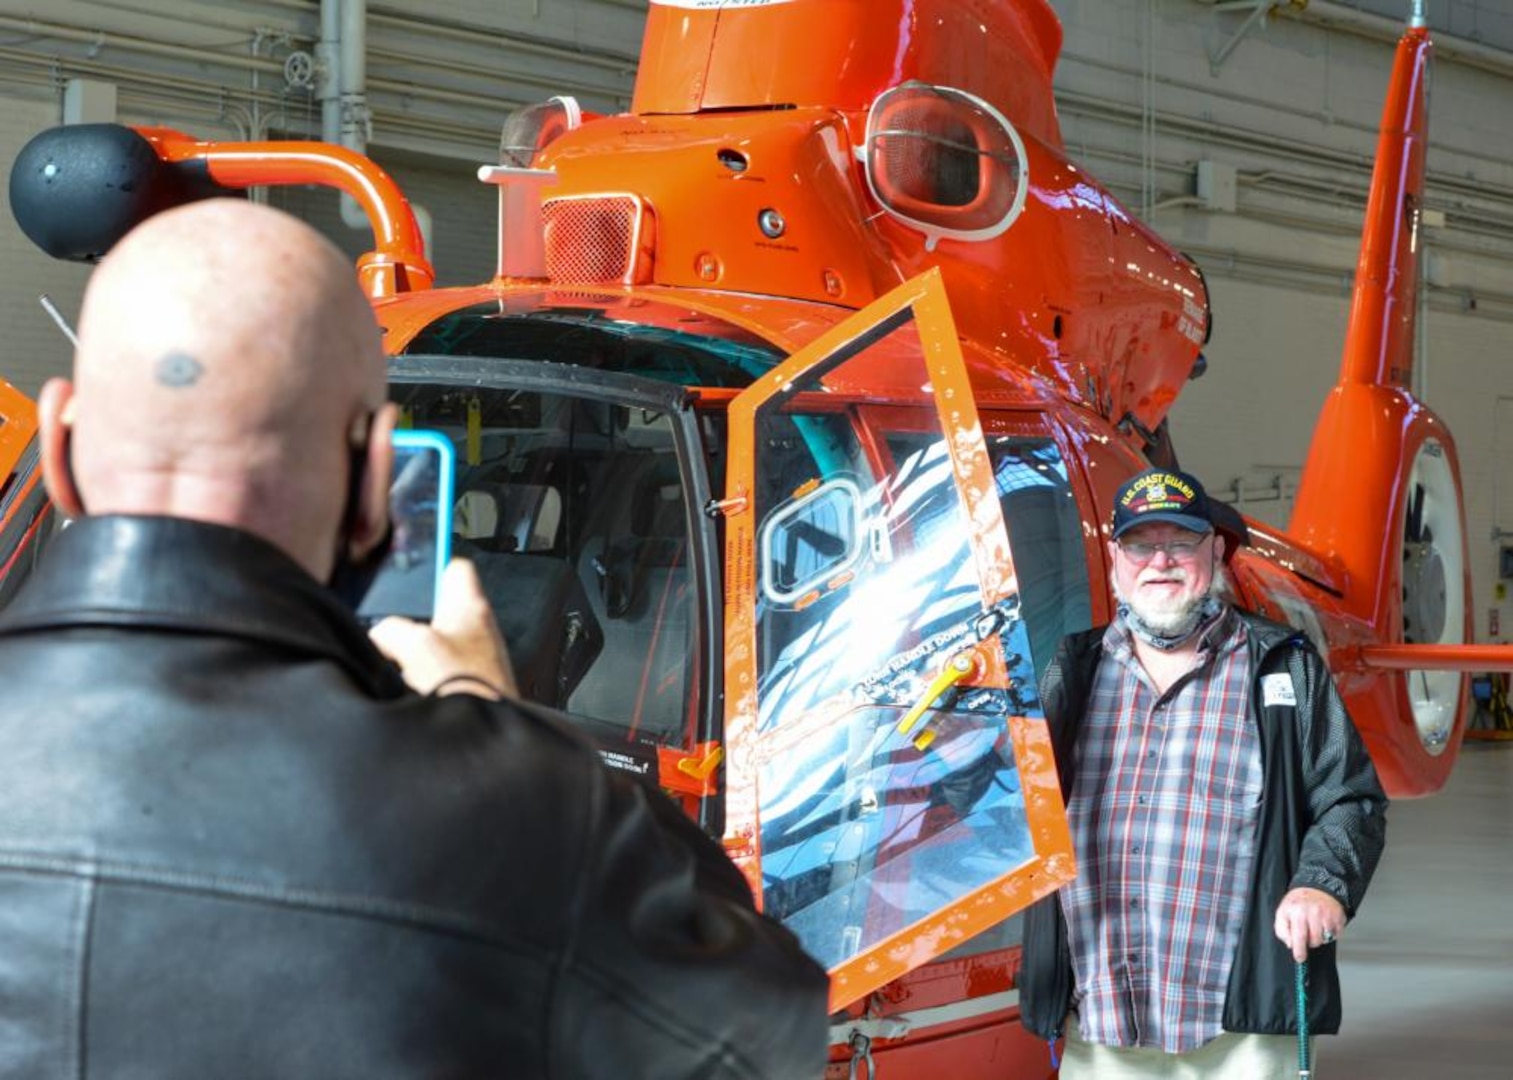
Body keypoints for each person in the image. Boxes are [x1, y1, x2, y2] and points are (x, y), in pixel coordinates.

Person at [0, 199, 828, 1078]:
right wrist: (499, 727)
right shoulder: (516, 815)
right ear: (373, 483)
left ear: (57, 442)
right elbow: (770, 1039)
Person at [1019, 466, 1387, 1078]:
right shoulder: (1072, 669)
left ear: (1214, 552)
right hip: (1103, 1013)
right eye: (1141, 544)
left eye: (1181, 542)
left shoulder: (1281, 666)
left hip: (1237, 1025)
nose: (1159, 560)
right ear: (1115, 558)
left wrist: (1322, 882)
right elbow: (1012, 797)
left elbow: (1351, 798)